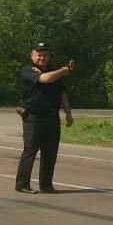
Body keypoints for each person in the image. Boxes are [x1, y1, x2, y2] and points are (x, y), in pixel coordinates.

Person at [15, 42, 75, 194]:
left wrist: (68, 114)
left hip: (52, 117)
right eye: (39, 55)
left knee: (50, 153)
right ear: (32, 56)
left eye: (45, 55)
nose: (42, 58)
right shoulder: (28, 70)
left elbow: (62, 94)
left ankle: (46, 185)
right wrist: (64, 70)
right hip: (33, 117)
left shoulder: (54, 72)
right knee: (30, 151)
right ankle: (22, 185)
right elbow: (45, 79)